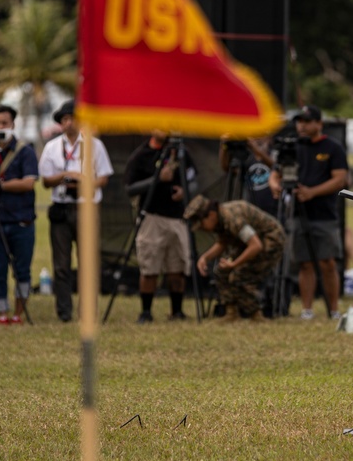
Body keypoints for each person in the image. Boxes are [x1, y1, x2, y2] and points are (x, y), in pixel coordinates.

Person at [268, 104, 349, 321]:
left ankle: (333, 309)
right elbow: (275, 173)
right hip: (296, 212)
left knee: (327, 262)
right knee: (304, 263)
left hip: (324, 214)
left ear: (319, 124)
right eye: (299, 121)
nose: (301, 126)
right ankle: (307, 309)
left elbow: (340, 179)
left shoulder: (333, 147)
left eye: (306, 121)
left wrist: (312, 192)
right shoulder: (292, 146)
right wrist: (275, 184)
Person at [38, 101, 113, 323]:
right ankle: (64, 311)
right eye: (65, 119)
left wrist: (83, 181)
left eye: (74, 118)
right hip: (61, 208)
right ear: (60, 123)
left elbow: (104, 178)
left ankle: (88, 311)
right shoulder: (52, 147)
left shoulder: (95, 145)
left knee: (87, 261)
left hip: (85, 207)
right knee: (61, 264)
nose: (69, 123)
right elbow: (46, 181)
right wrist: (64, 176)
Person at [123, 130, 198, 324]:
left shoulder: (182, 153)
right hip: (152, 218)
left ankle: (177, 311)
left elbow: (193, 180)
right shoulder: (141, 156)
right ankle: (146, 312)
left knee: (178, 266)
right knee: (150, 267)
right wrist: (157, 179)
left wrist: (185, 191)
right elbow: (130, 188)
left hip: (177, 217)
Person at [185, 195, 286, 323]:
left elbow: (256, 245)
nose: (203, 229)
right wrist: (205, 258)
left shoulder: (232, 218)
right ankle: (231, 313)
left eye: (202, 225)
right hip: (251, 243)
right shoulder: (220, 219)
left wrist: (234, 264)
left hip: (271, 240)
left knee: (240, 274)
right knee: (221, 272)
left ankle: (256, 315)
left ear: (211, 214)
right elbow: (222, 243)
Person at [0, 105, 38, 325]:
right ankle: (1, 313)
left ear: (13, 124)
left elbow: (28, 183)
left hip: (21, 220)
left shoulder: (25, 151)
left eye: (4, 123)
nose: (0, 127)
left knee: (22, 269)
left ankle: (19, 312)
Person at [219, 135, 278, 216]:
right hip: (253, 210)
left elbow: (275, 166)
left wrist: (255, 148)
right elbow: (227, 168)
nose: (257, 139)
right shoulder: (247, 159)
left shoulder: (273, 153)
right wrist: (223, 146)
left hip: (274, 208)